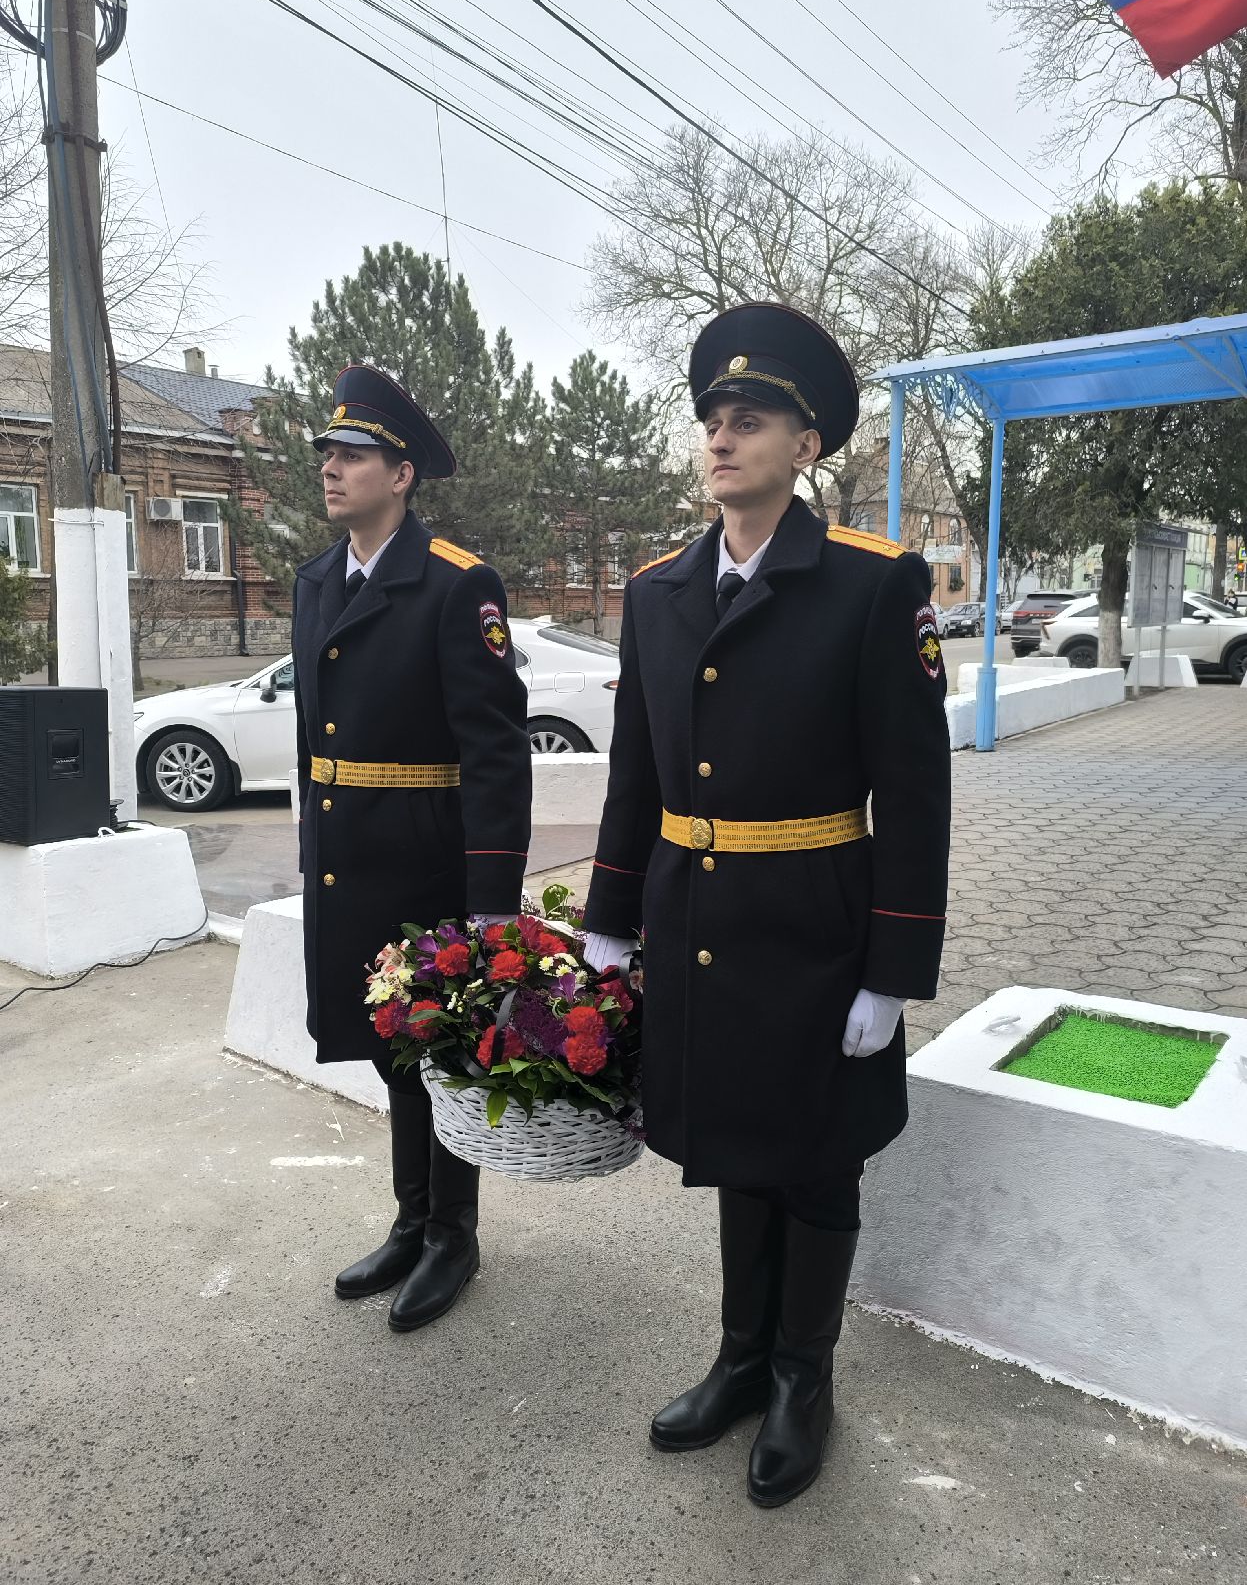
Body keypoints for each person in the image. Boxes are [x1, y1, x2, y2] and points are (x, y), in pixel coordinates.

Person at [582, 304, 951, 1508]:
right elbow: (635, 771)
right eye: (711, 418)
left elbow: (914, 793)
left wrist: (892, 971)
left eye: (749, 419)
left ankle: (802, 1378)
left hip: (814, 922)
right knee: (735, 1150)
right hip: (696, 924)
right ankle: (740, 1359)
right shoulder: (657, 590)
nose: (720, 436)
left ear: (805, 445)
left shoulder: (869, 584)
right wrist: (608, 919)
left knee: (817, 1159)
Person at [292, 363, 531, 1331]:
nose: (330, 468)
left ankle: (452, 1237)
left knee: (442, 1054)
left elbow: (495, 756)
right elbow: (316, 739)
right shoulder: (317, 580)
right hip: (349, 861)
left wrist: (491, 904)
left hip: (426, 863)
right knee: (391, 1054)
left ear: (400, 476)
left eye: (353, 455)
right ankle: (410, 1220)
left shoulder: (454, 583)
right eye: (328, 453)